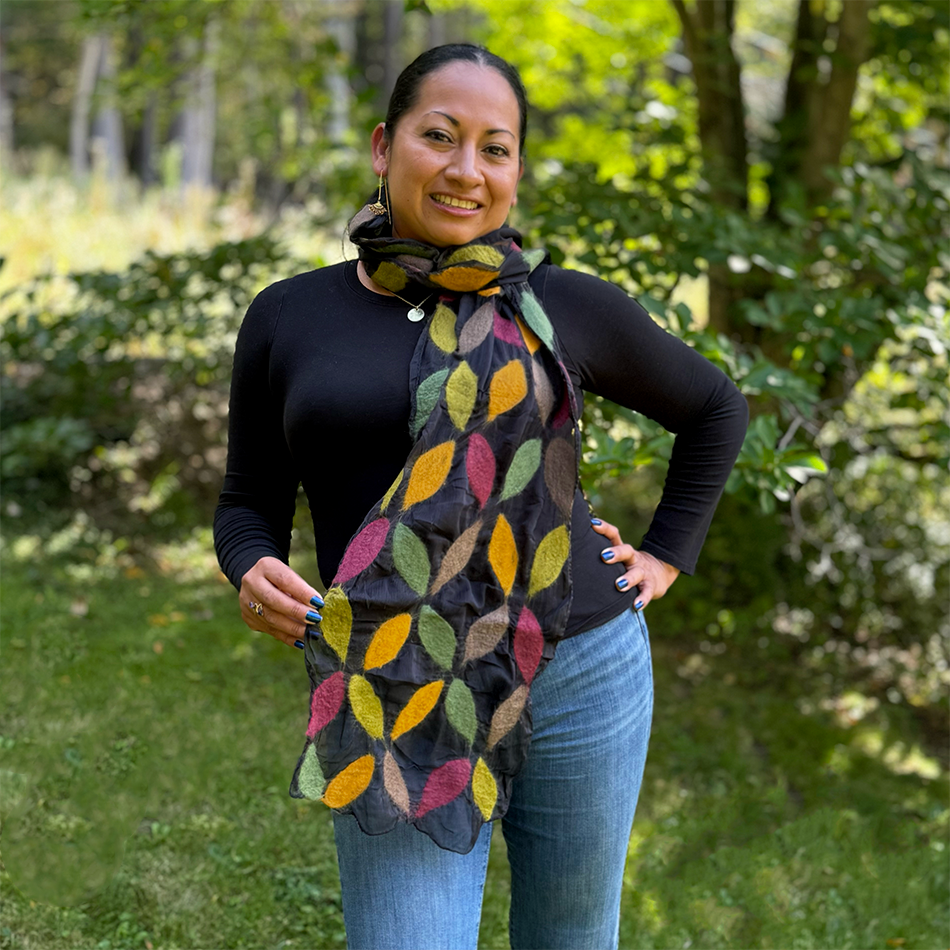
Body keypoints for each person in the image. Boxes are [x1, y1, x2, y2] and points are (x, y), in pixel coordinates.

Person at [213, 43, 748, 950]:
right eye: (439, 136)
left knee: (571, 936)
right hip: (396, 678)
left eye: (494, 149)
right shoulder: (289, 315)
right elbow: (246, 498)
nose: (466, 170)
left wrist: (663, 554)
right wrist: (247, 564)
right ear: (385, 147)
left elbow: (714, 407)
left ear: (516, 173)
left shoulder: (561, 306)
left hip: (584, 666)